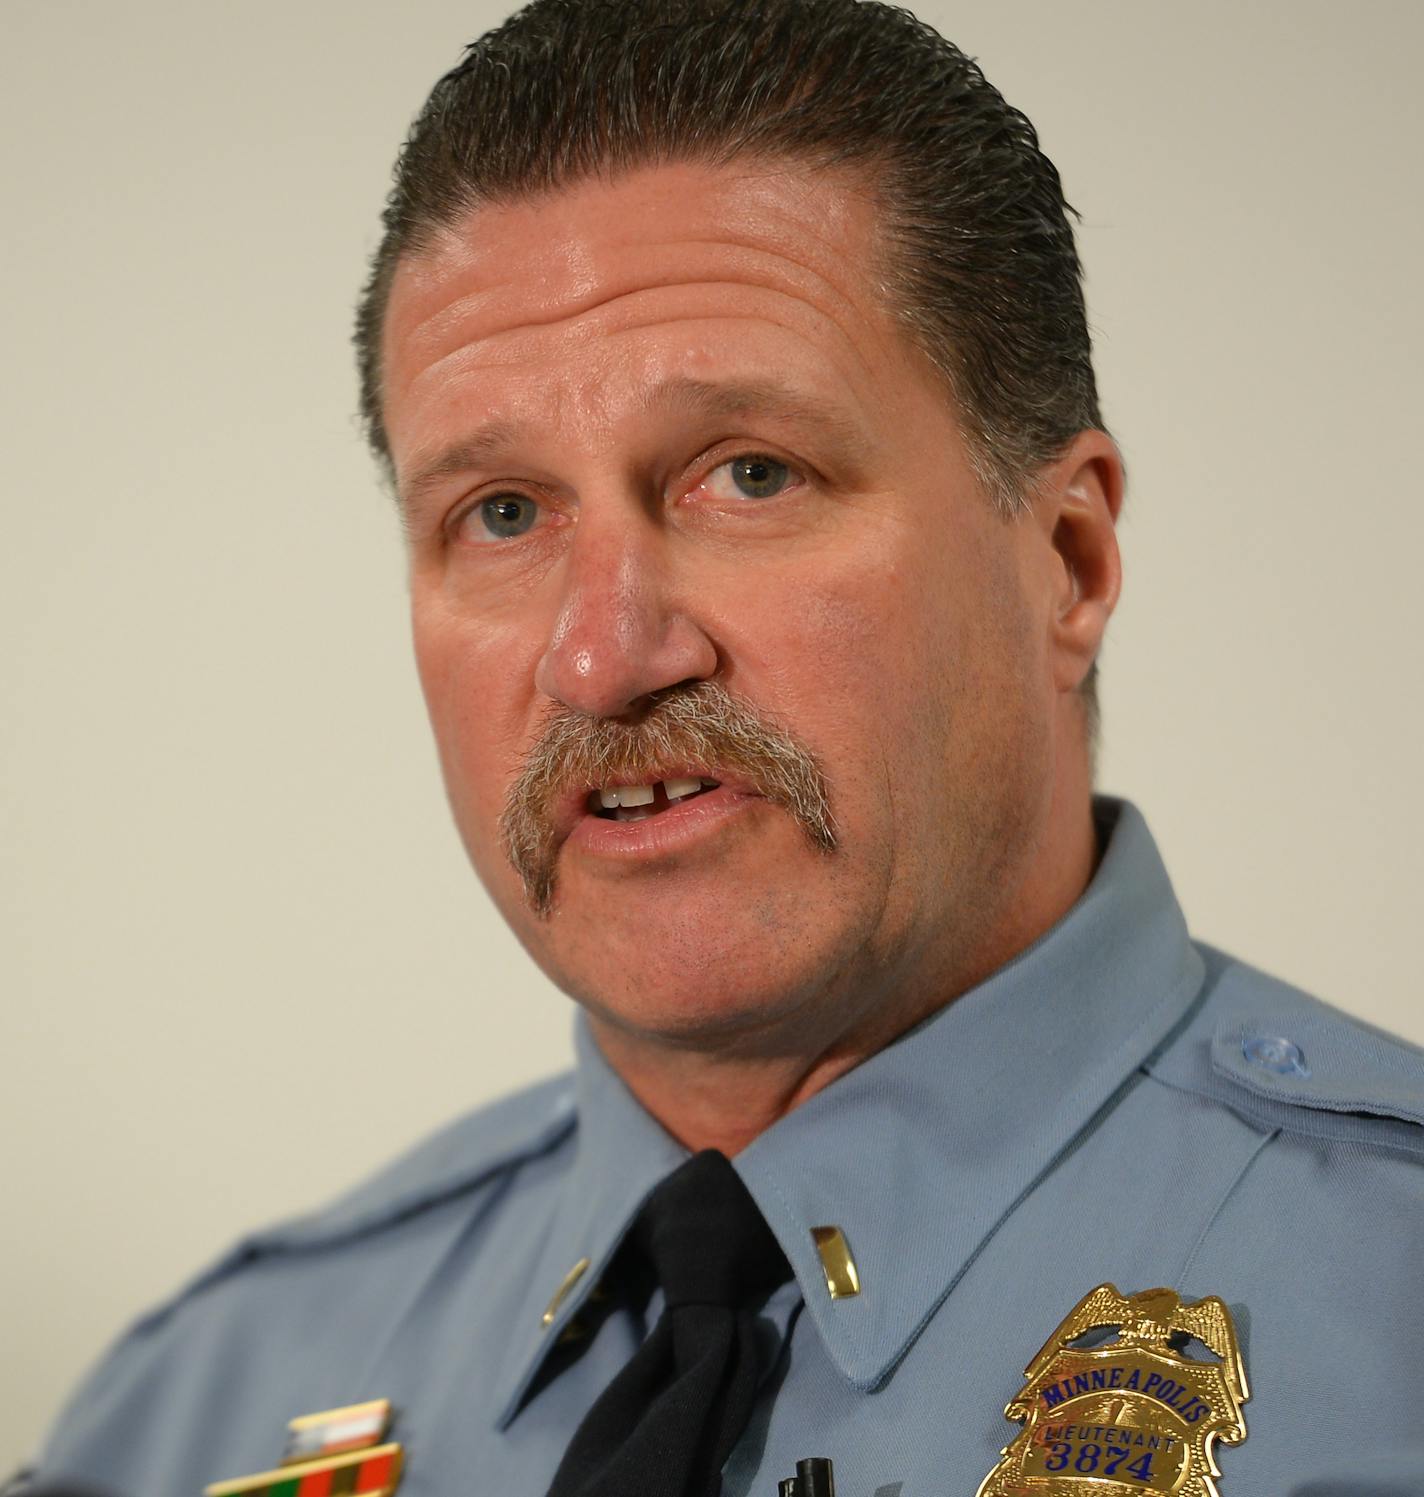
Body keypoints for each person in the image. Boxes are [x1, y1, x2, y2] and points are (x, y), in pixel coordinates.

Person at [25, 1, 1424, 1494]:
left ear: (1066, 560)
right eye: (501, 512)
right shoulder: (206, 1409)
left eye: (748, 474)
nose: (605, 652)